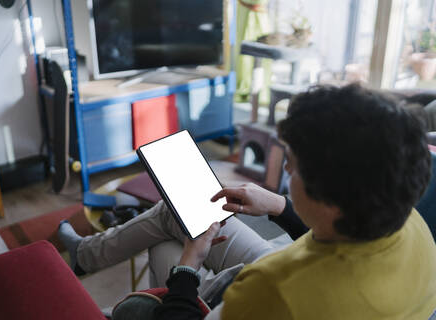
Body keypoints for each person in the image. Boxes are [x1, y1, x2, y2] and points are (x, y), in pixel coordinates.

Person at [58, 84, 436, 319]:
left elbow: (276, 292)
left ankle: (136, 299)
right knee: (180, 213)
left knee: (172, 247)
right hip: (333, 280)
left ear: (332, 202)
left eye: (294, 166)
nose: (285, 167)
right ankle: (86, 256)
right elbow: (340, 231)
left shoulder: (272, 293)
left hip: (301, 289)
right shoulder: (411, 225)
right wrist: (279, 205)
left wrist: (190, 267)